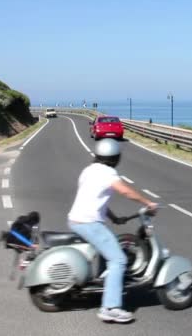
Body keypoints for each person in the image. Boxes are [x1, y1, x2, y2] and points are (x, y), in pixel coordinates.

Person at [67, 138, 157, 323]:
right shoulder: (108, 173)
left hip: (76, 219)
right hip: (89, 223)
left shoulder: (88, 171)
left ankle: (104, 284)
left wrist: (114, 217)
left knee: (108, 251)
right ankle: (110, 308)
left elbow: (92, 198)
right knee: (118, 259)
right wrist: (148, 203)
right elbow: (125, 191)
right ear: (115, 157)